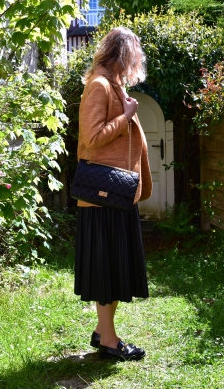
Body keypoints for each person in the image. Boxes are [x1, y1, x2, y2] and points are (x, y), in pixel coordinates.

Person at [74, 27, 153, 361]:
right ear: (123, 55)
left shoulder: (114, 85)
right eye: (134, 57)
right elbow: (92, 139)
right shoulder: (99, 86)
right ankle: (109, 341)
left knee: (115, 269)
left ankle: (102, 331)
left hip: (118, 195)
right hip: (104, 196)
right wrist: (126, 117)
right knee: (107, 271)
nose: (135, 64)